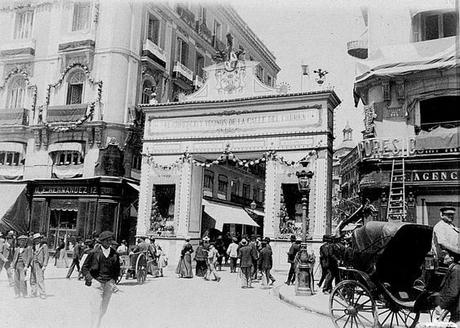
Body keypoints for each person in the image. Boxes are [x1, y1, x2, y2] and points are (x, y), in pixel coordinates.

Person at [81, 231, 121, 328]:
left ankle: (98, 324)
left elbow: (117, 269)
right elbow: (84, 267)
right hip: (97, 282)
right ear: (101, 241)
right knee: (96, 307)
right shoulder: (94, 253)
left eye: (110, 240)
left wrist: (113, 281)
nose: (108, 242)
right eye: (106, 240)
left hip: (108, 283)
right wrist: (89, 277)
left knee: (104, 308)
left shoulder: (114, 254)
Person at [30, 233, 49, 299]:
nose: (37, 240)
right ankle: (33, 292)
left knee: (40, 279)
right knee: (33, 279)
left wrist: (44, 265)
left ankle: (42, 293)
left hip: (39, 264)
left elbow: (46, 256)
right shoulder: (33, 246)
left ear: (40, 239)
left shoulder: (44, 246)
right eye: (35, 239)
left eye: (38, 239)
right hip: (33, 264)